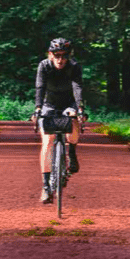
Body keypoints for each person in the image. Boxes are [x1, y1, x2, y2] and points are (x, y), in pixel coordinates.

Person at [31, 37, 86, 203]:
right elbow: (40, 87)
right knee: (47, 141)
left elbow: (77, 87)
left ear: (69, 55)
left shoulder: (74, 67)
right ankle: (46, 187)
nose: (60, 59)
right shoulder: (44, 66)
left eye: (64, 55)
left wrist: (80, 108)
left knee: (73, 121)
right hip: (49, 104)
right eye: (57, 55)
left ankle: (72, 151)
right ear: (50, 54)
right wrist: (38, 108)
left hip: (69, 103)